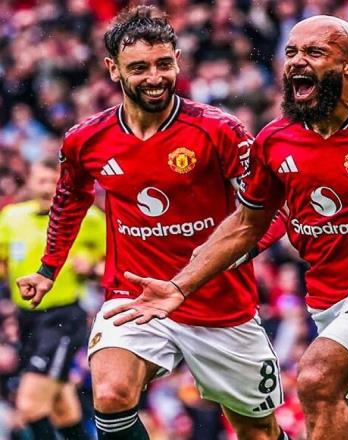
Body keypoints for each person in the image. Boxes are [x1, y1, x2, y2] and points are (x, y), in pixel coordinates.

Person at [104, 15, 348, 440]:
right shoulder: (275, 139)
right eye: (291, 52)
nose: (296, 61)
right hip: (332, 296)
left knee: (316, 378)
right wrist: (179, 287)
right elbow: (246, 223)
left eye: (314, 52)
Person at [16, 7, 288, 440]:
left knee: (258, 432)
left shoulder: (219, 130)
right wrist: (49, 268)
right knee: (110, 393)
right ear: (113, 69)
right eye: (139, 68)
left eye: (164, 64)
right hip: (134, 296)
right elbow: (70, 200)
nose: (155, 77)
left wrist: (239, 252)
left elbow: (275, 204)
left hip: (220, 304)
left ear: (178, 60)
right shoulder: (87, 139)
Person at [0, 159, 105, 440]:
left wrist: (92, 268)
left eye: (53, 181)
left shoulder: (89, 218)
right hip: (26, 319)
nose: (48, 188)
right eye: (41, 180)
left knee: (30, 406)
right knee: (63, 409)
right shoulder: (11, 217)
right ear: (29, 182)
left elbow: (113, 264)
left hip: (62, 318)